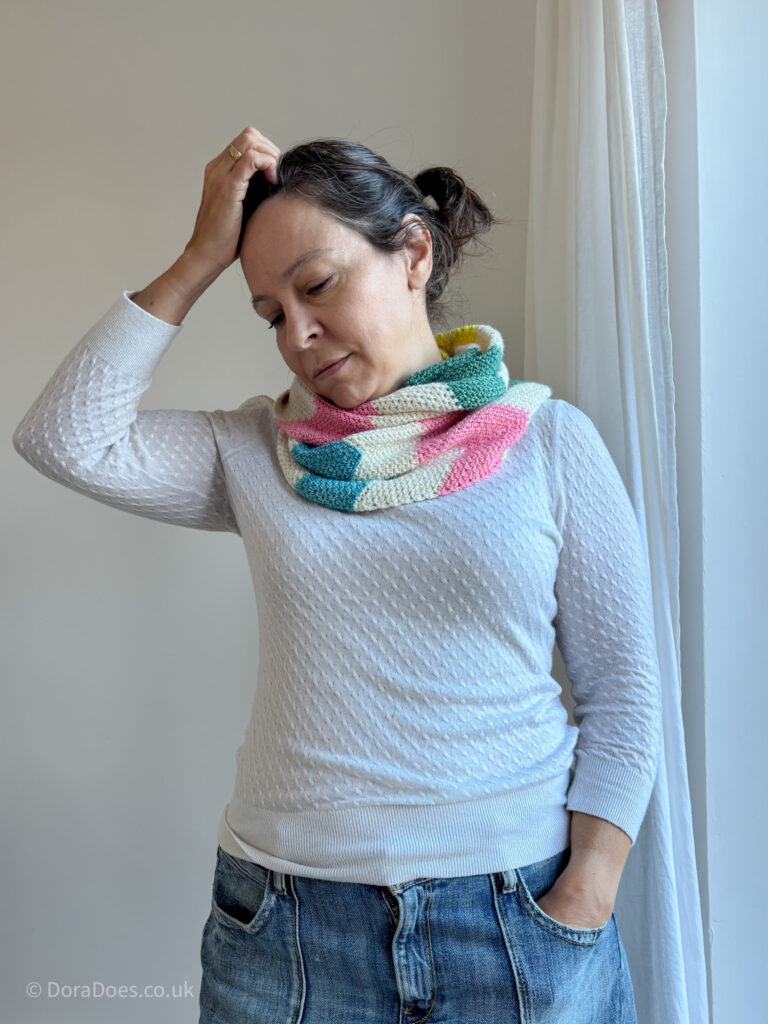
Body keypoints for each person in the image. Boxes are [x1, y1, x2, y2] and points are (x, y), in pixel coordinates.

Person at [13, 126, 662, 1023]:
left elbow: (624, 691)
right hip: (283, 930)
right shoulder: (258, 452)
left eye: (316, 285)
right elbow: (62, 437)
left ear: (414, 253)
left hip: (515, 919)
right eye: (272, 314)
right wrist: (198, 260)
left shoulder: (548, 443)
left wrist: (588, 889)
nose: (299, 334)